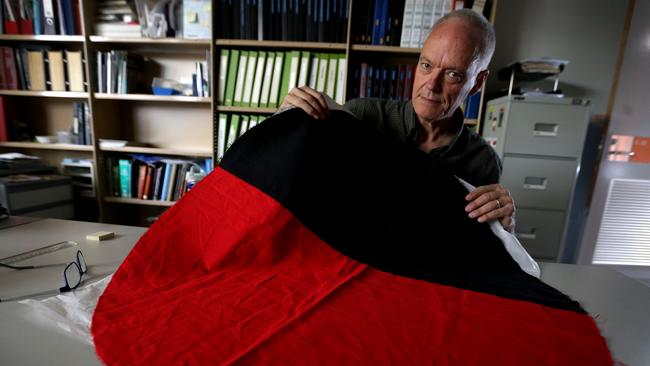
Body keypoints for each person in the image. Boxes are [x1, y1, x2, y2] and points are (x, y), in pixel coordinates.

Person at [279, 9, 515, 231]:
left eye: (453, 74)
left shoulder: (483, 162)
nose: (431, 85)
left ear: (478, 82)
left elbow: (477, 248)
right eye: (426, 65)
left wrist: (504, 227)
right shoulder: (360, 115)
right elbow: (297, 179)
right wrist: (284, 123)